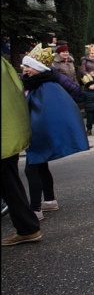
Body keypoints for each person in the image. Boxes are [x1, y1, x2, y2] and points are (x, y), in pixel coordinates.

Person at [20, 44, 89, 220]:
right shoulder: (39, 83)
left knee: (32, 168)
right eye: (24, 66)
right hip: (39, 132)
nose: (25, 69)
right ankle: (49, 200)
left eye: (28, 66)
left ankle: (35, 209)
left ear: (38, 68)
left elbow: (45, 114)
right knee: (41, 165)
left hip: (39, 134)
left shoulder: (46, 86)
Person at [1, 57, 42, 246]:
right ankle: (28, 228)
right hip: (10, 133)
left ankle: (28, 228)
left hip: (5, 136)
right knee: (10, 183)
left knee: (9, 184)